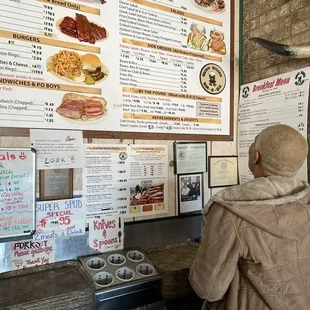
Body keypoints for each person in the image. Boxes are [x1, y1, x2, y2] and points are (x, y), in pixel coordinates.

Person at [189, 124, 310, 310]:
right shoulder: (305, 201)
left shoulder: (232, 210)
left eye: (254, 143)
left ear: (255, 156)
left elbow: (208, 288)